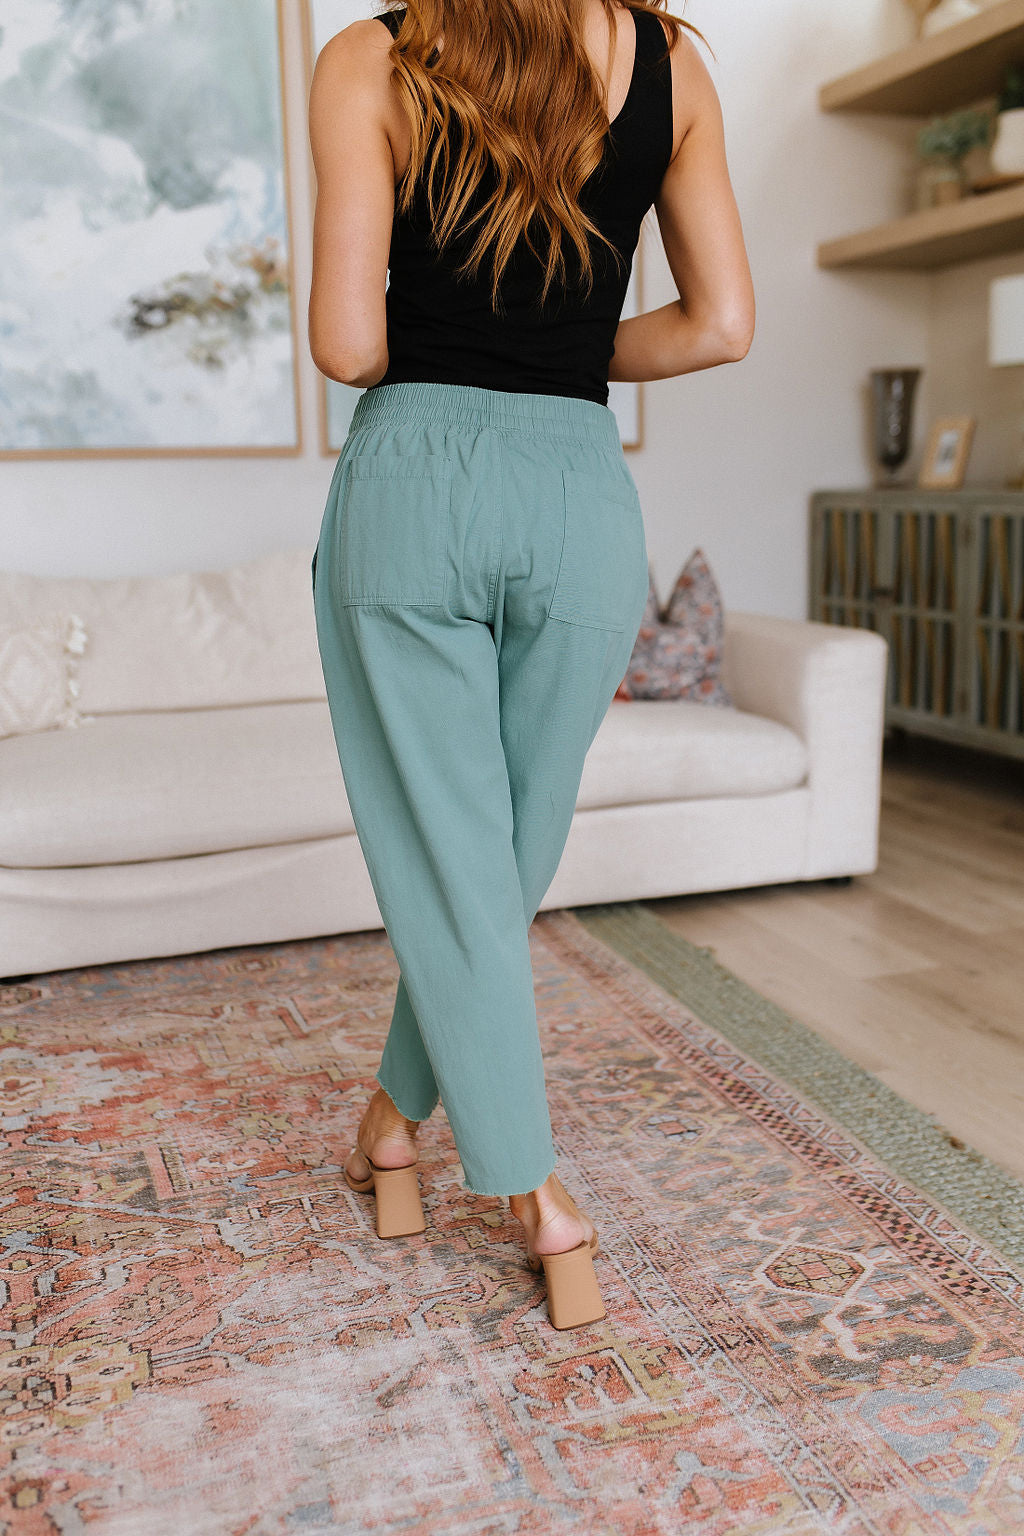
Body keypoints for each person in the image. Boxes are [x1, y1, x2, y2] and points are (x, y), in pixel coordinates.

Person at [308, 0, 754, 1329]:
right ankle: (394, 1126)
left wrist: (467, 346)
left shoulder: (372, 55)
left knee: (458, 855)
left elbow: (348, 346)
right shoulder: (671, 62)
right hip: (576, 492)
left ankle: (531, 1190)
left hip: (415, 485)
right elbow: (722, 325)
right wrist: (559, 350)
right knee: (499, 855)